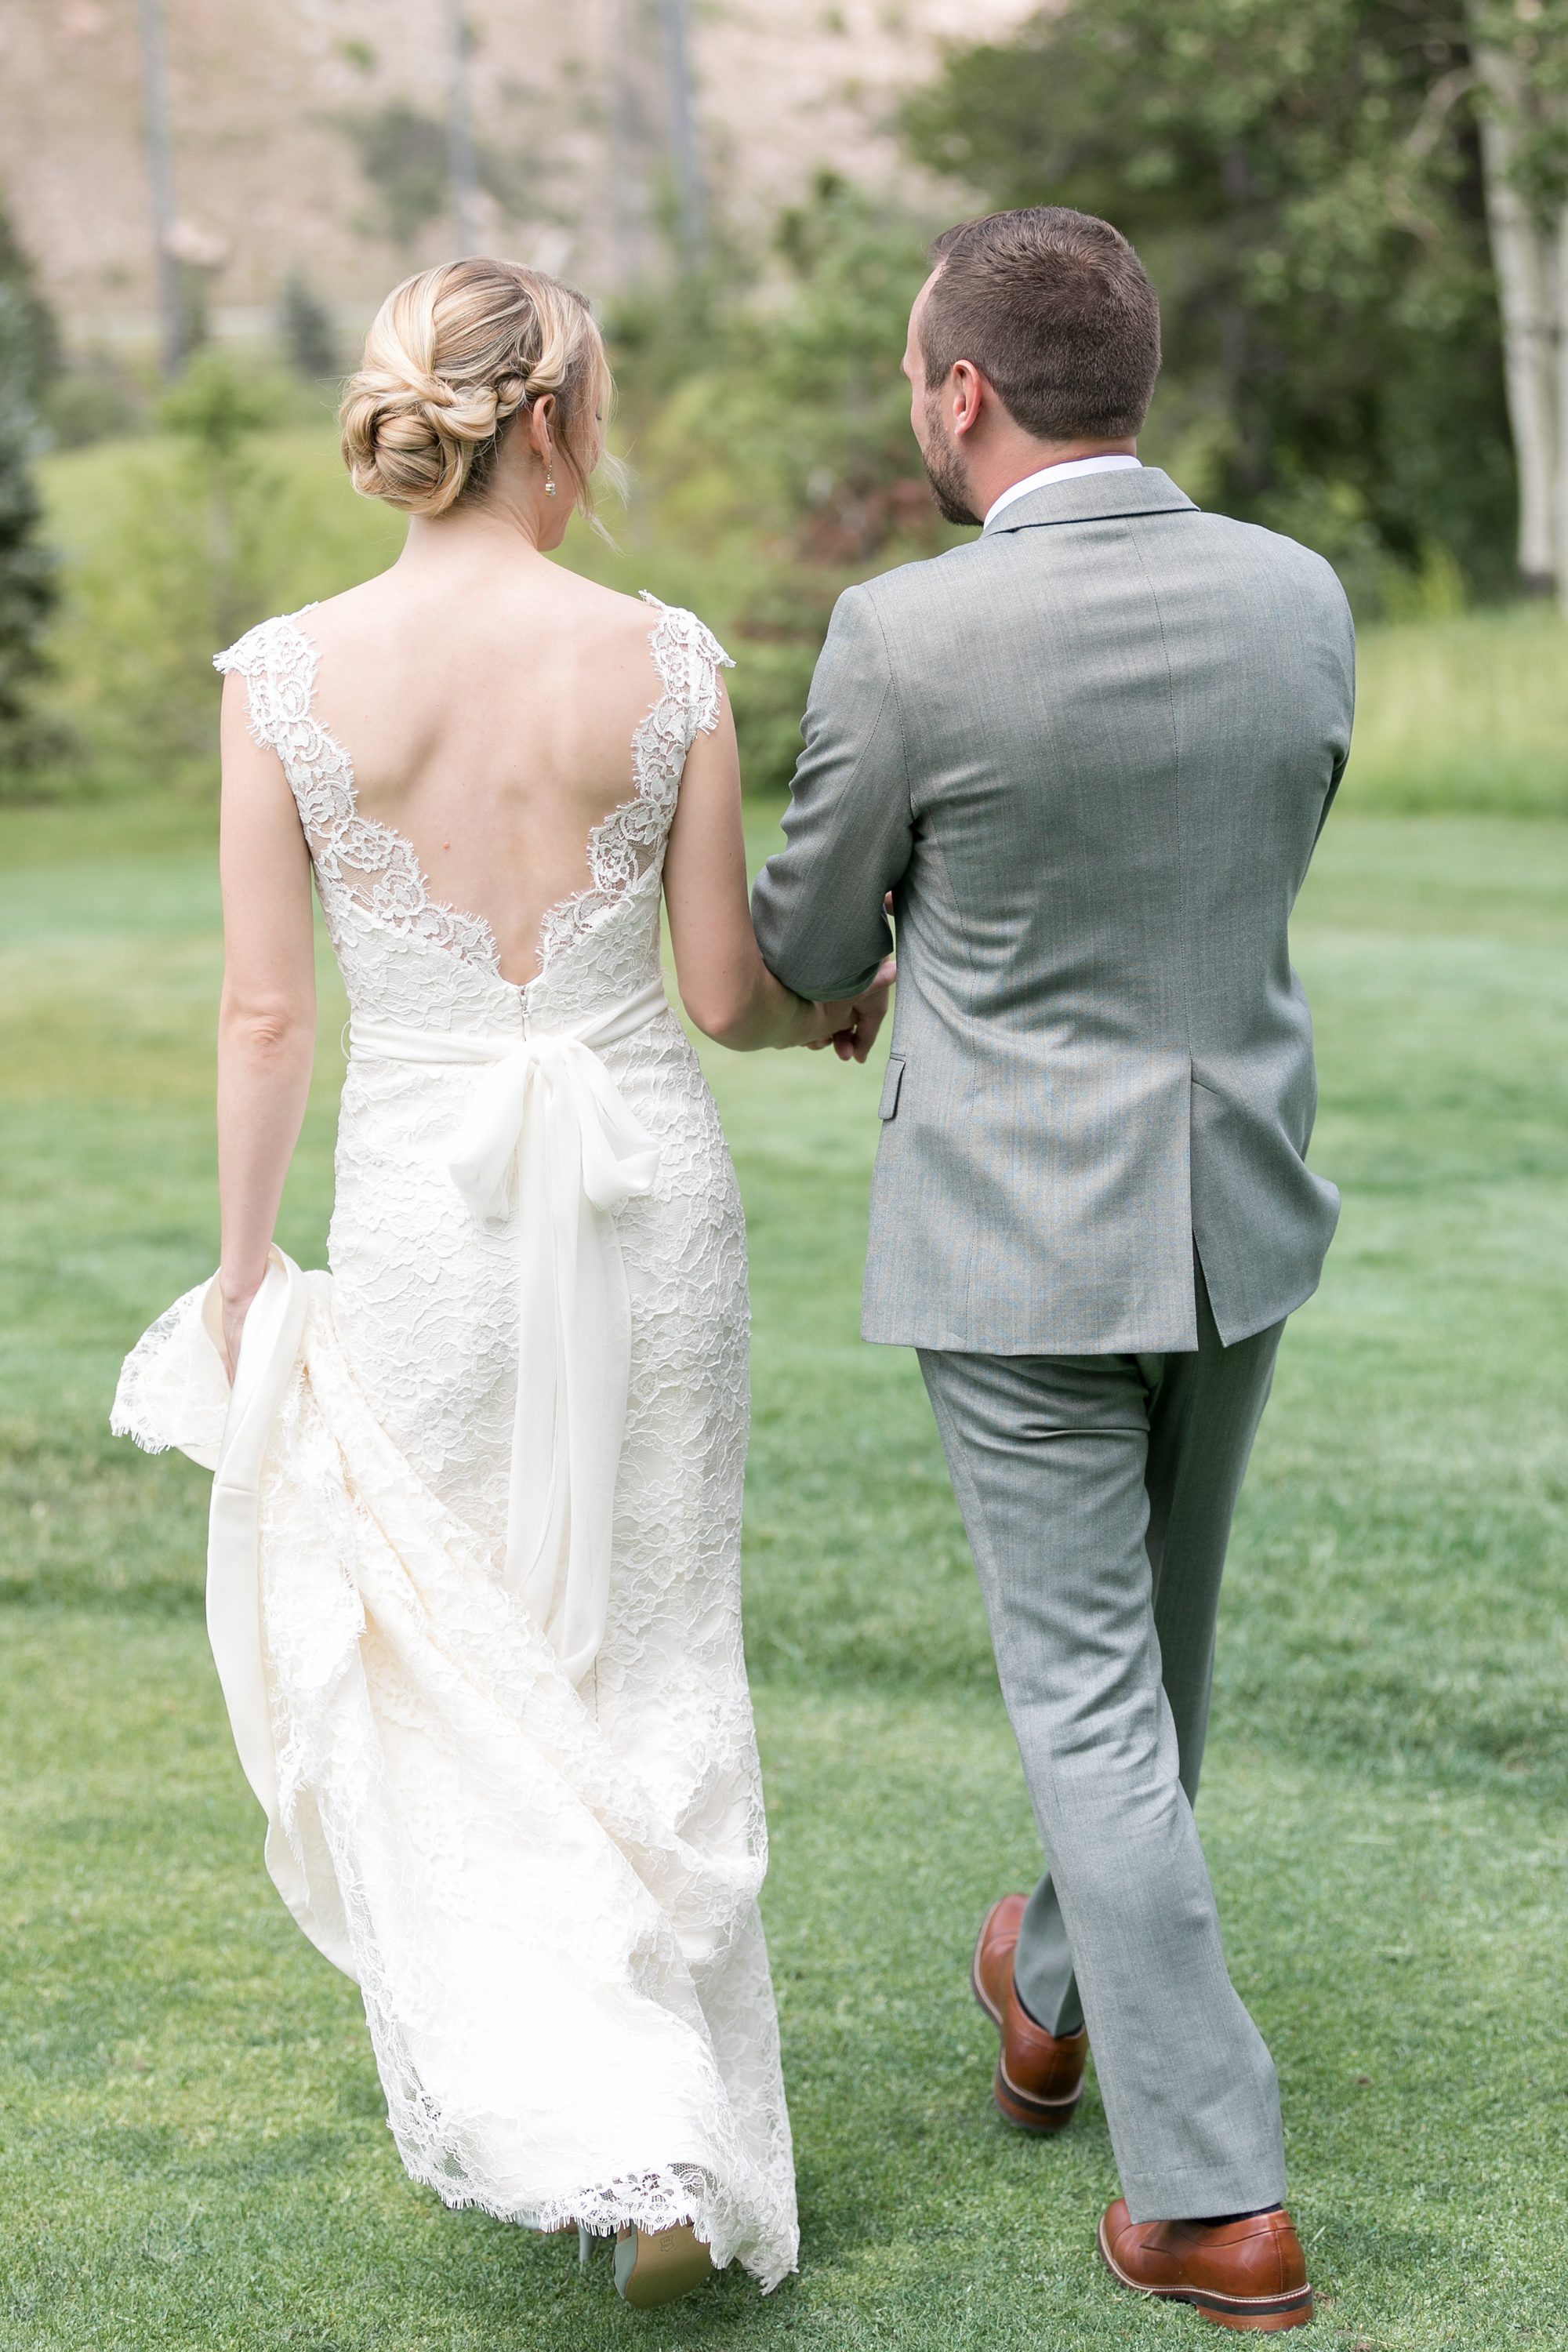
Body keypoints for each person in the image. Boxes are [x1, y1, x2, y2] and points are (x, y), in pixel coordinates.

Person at [112, 256, 891, 2310]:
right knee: (655, 1628)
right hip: (655, 1194)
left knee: (453, 1658)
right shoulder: (672, 659)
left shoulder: (286, 673)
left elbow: (267, 1016)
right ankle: (664, 2142)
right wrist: (847, 1006)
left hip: (423, 1215)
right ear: (552, 423)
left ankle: (604, 2119)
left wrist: (241, 1263)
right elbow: (726, 988)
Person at [752, 205, 1354, 2333]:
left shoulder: (901, 636)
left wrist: (885, 950)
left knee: (1098, 1704)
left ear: (964, 391)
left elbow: (807, 946)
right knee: (1155, 1676)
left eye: (917, 374)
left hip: (1014, 1239)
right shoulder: (1300, 597)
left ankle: (1213, 2191)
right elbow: (1249, 856)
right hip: (1240, 1218)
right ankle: (1056, 1986)